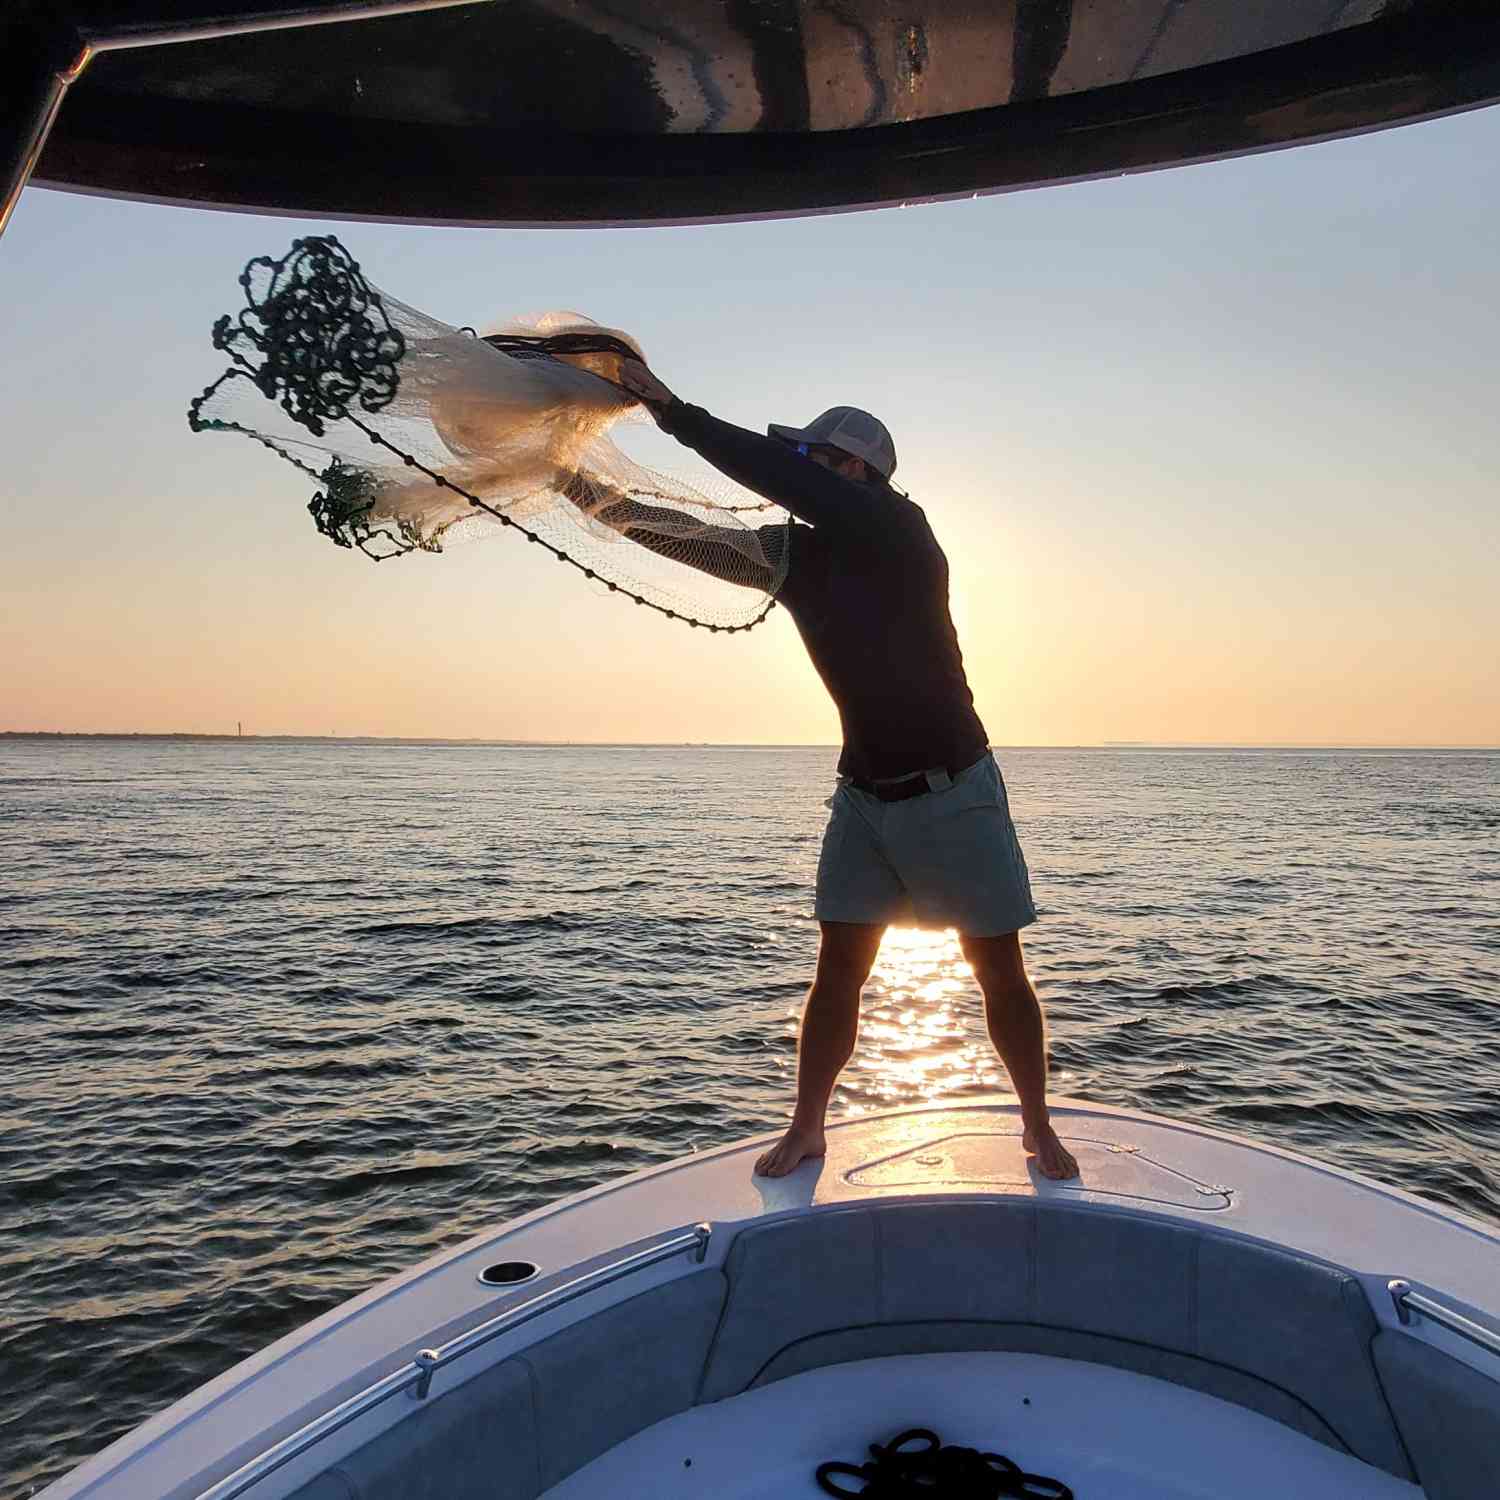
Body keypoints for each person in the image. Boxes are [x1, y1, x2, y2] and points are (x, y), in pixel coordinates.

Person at [610, 359, 1079, 1182]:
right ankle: (808, 1127)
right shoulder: (796, 556)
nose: (799, 477)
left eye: (816, 462)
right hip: (861, 797)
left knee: (998, 971)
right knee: (837, 971)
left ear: (855, 471)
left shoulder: (905, 533)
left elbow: (777, 475)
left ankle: (1038, 1125)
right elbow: (682, 536)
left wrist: (670, 411)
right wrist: (579, 493)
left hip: (954, 791)